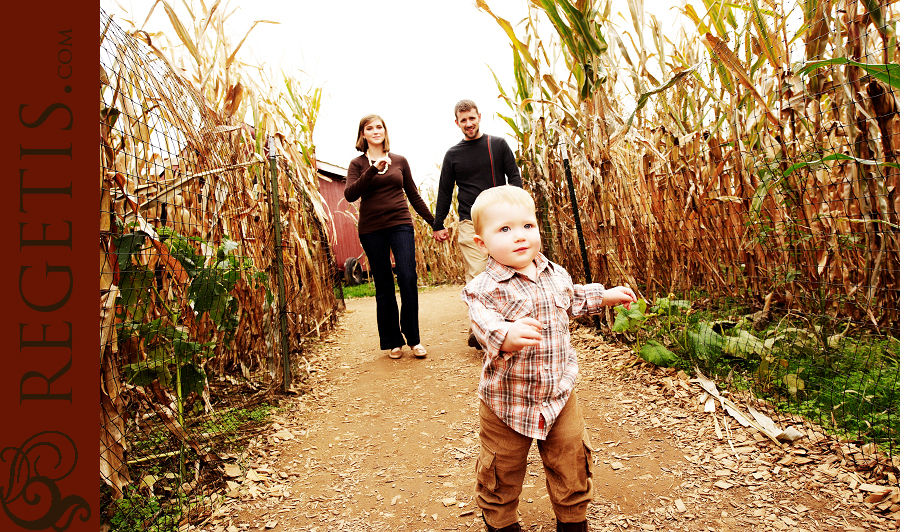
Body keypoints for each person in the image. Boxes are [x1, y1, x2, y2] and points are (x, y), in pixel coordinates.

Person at [461, 186, 637, 532]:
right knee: (502, 468)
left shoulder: (555, 273)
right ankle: (501, 521)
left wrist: (604, 296)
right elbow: (484, 326)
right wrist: (507, 335)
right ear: (482, 244)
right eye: (505, 229)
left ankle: (573, 521)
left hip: (559, 393)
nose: (520, 237)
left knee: (571, 460)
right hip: (506, 401)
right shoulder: (482, 288)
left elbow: (571, 299)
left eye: (527, 226)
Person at [433, 99, 523, 348]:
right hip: (470, 223)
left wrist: (517, 210)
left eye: (472, 118)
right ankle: (481, 328)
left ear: (479, 117)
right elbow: (444, 191)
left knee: (509, 271)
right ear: (457, 123)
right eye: (463, 120)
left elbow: (514, 177)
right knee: (478, 275)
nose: (468, 124)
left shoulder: (498, 145)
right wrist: (438, 223)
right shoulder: (453, 155)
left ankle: (510, 323)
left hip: (502, 220)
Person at [344, 114, 434, 360]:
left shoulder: (399, 161)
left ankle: (414, 339)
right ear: (363, 134)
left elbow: (413, 195)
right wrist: (372, 170)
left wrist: (435, 223)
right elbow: (351, 194)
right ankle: (393, 341)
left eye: (379, 127)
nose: (375, 131)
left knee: (407, 277)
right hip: (371, 229)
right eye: (369, 128)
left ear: (385, 131)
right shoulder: (358, 164)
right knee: (384, 284)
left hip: (400, 224)